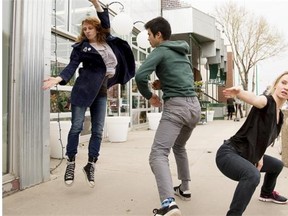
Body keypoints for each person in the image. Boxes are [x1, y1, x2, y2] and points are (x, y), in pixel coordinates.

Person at [43, 0, 135, 188]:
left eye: (90, 28)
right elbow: (71, 67)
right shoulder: (80, 48)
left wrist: (96, 4)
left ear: (97, 29)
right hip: (83, 90)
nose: (87, 31)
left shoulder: (107, 40)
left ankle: (90, 164)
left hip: (101, 92)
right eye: (84, 28)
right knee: (76, 127)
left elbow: (105, 20)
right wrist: (59, 79)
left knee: (98, 131)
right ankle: (71, 162)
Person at [135, 17, 201, 216]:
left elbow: (140, 76)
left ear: (158, 35)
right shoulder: (182, 52)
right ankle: (185, 187)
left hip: (177, 108)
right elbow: (183, 77)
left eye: (149, 34)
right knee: (179, 146)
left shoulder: (160, 51)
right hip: (194, 108)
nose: (147, 39)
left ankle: (168, 203)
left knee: (157, 154)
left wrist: (150, 96)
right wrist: (161, 84)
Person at [216, 71, 288, 216]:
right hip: (229, 153)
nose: (286, 87)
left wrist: (259, 155)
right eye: (284, 82)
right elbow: (255, 99)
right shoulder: (267, 101)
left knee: (277, 165)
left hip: (248, 155)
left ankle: (266, 193)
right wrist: (240, 92)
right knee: (252, 175)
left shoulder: (280, 116)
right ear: (276, 85)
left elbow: (263, 138)